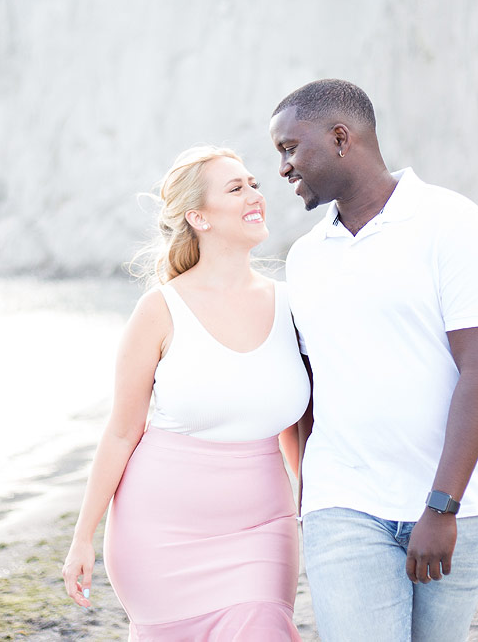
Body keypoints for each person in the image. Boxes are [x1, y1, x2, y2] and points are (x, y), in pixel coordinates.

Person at [268, 79, 478, 642]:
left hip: (457, 504)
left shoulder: (453, 224)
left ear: (339, 138)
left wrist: (442, 506)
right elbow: (307, 382)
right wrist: (311, 486)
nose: (282, 168)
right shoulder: (306, 258)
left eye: (289, 148)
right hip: (345, 504)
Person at [61, 145, 310, 640]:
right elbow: (121, 432)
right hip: (159, 536)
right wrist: (82, 537)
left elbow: (294, 428)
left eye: (254, 184)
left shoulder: (292, 303)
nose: (255, 194)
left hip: (263, 529)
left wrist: (315, 504)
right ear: (198, 216)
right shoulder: (160, 310)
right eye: (236, 188)